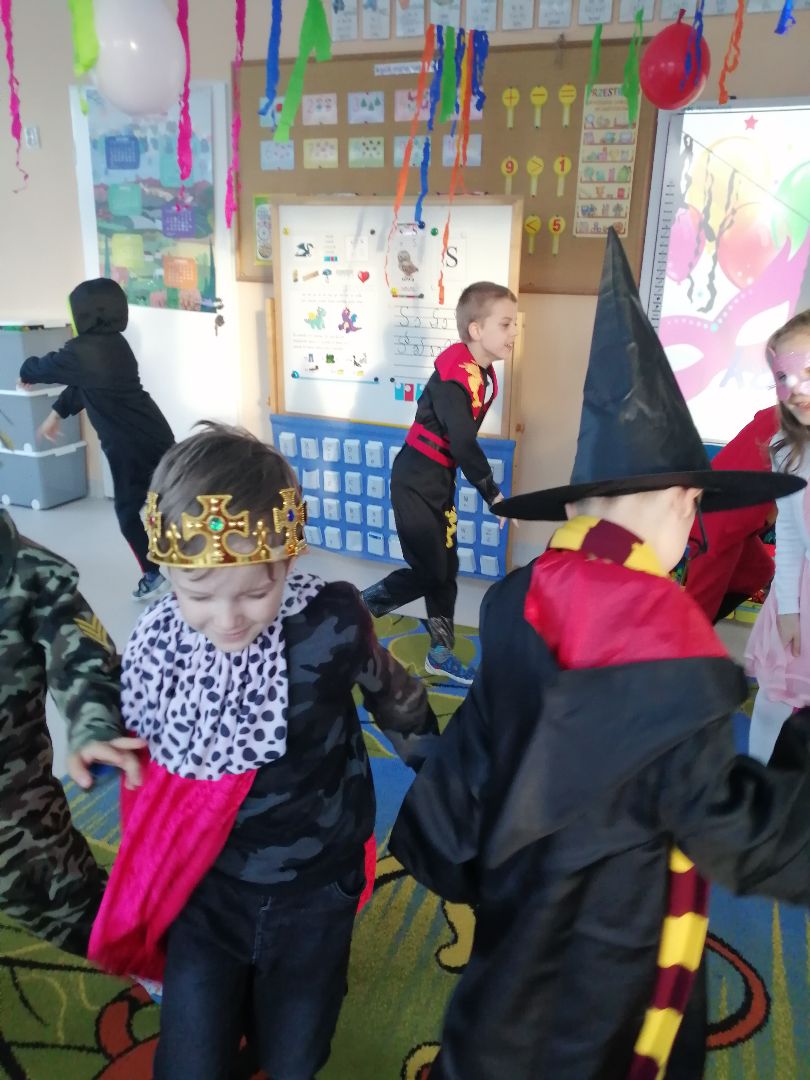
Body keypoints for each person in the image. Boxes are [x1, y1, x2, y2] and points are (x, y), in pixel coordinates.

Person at [388, 229, 810, 1080]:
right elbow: (734, 827)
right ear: (685, 503)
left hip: (513, 922)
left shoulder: (515, 599)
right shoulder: (669, 648)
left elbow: (463, 777)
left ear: (578, 507)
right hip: (606, 964)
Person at [88, 422, 439, 1080]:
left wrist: (443, 779)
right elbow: (137, 734)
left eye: (256, 591)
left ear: (288, 561)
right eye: (198, 594)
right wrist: (99, 735)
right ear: (165, 571)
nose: (228, 620)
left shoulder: (333, 621)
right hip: (207, 885)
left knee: (293, 1053)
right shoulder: (158, 644)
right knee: (191, 1060)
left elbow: (397, 698)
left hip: (317, 884)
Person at [0, 507, 143, 955]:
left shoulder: (30, 573)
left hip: (14, 812)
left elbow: (86, 660)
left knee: (80, 914)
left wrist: (95, 727)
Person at [361, 281, 517, 688]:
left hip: (439, 481)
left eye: (514, 324)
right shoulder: (454, 377)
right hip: (414, 480)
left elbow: (459, 448)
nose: (514, 333)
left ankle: (440, 653)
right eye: (505, 324)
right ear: (476, 330)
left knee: (446, 568)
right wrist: (494, 496)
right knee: (430, 570)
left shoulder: (481, 373)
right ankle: (357, 611)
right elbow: (463, 443)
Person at [18, 278, 175, 601]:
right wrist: (56, 414)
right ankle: (188, 558)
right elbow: (85, 387)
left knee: (128, 513)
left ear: (82, 314)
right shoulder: (116, 345)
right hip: (156, 433)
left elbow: (41, 368)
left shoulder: (80, 351)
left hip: (127, 446)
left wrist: (25, 371)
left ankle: (154, 576)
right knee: (167, 499)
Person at [745, 310, 810, 762]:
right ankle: (758, 786)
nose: (795, 388)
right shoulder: (786, 450)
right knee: (775, 699)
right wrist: (788, 608)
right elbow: (788, 534)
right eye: (783, 376)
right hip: (800, 597)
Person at [681, 406, 779, 623]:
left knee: (758, 570)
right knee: (699, 611)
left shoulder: (782, 411)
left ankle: (699, 630)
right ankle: (691, 634)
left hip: (724, 507)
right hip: (722, 519)